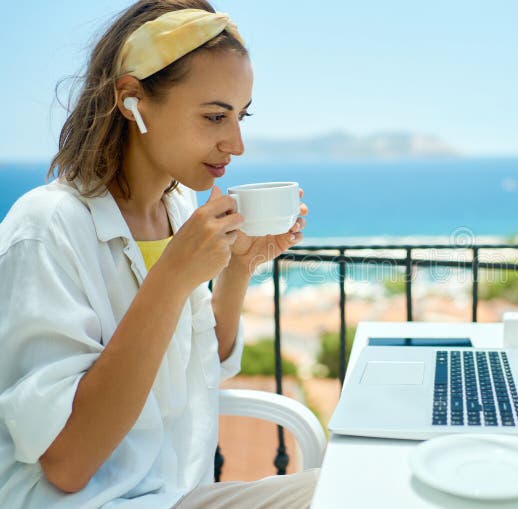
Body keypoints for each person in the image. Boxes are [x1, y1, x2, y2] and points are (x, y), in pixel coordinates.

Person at [0, 1, 317, 507]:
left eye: (240, 116)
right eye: (215, 116)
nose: (236, 143)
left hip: (177, 491)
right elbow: (66, 463)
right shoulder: (46, 228)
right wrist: (170, 279)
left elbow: (201, 365)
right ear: (131, 101)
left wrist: (238, 267)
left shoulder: (176, 207)